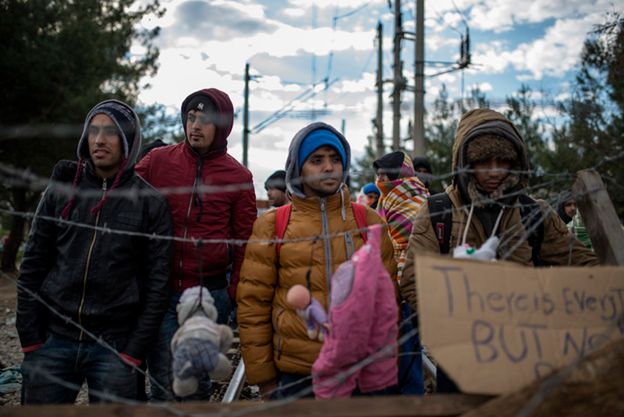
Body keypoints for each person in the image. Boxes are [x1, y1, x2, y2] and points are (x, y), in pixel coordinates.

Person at [400, 108, 598, 392]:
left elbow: (584, 265)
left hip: (524, 351)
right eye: (483, 161)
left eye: (503, 160)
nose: (494, 170)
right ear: (465, 164)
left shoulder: (534, 213)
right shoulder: (438, 212)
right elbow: (412, 280)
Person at [16, 99, 172, 404]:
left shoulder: (150, 203)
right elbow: (32, 265)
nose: (99, 140)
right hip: (52, 340)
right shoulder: (61, 193)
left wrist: (133, 351)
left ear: (128, 141)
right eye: (93, 131)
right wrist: (31, 338)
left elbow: (158, 285)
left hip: (114, 346)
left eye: (111, 132)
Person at [237, 122, 397, 399]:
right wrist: (264, 379)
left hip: (358, 370)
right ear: (298, 168)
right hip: (298, 373)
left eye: (335, 159)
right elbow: (253, 305)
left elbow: (388, 302)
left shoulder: (367, 221)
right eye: (317, 160)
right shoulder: (273, 225)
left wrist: (382, 371)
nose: (328, 167)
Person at [135, 88, 257, 401]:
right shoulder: (157, 162)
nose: (196, 126)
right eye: (191, 117)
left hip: (209, 294)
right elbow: (125, 198)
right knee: (163, 376)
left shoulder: (239, 176)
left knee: (196, 379)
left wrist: (233, 293)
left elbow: (245, 242)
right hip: (161, 290)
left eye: (205, 119)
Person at [373, 151, 429, 279]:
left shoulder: (417, 201)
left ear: (398, 175)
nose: (379, 180)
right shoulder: (384, 201)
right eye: (378, 174)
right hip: (385, 273)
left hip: (413, 274)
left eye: (385, 174)